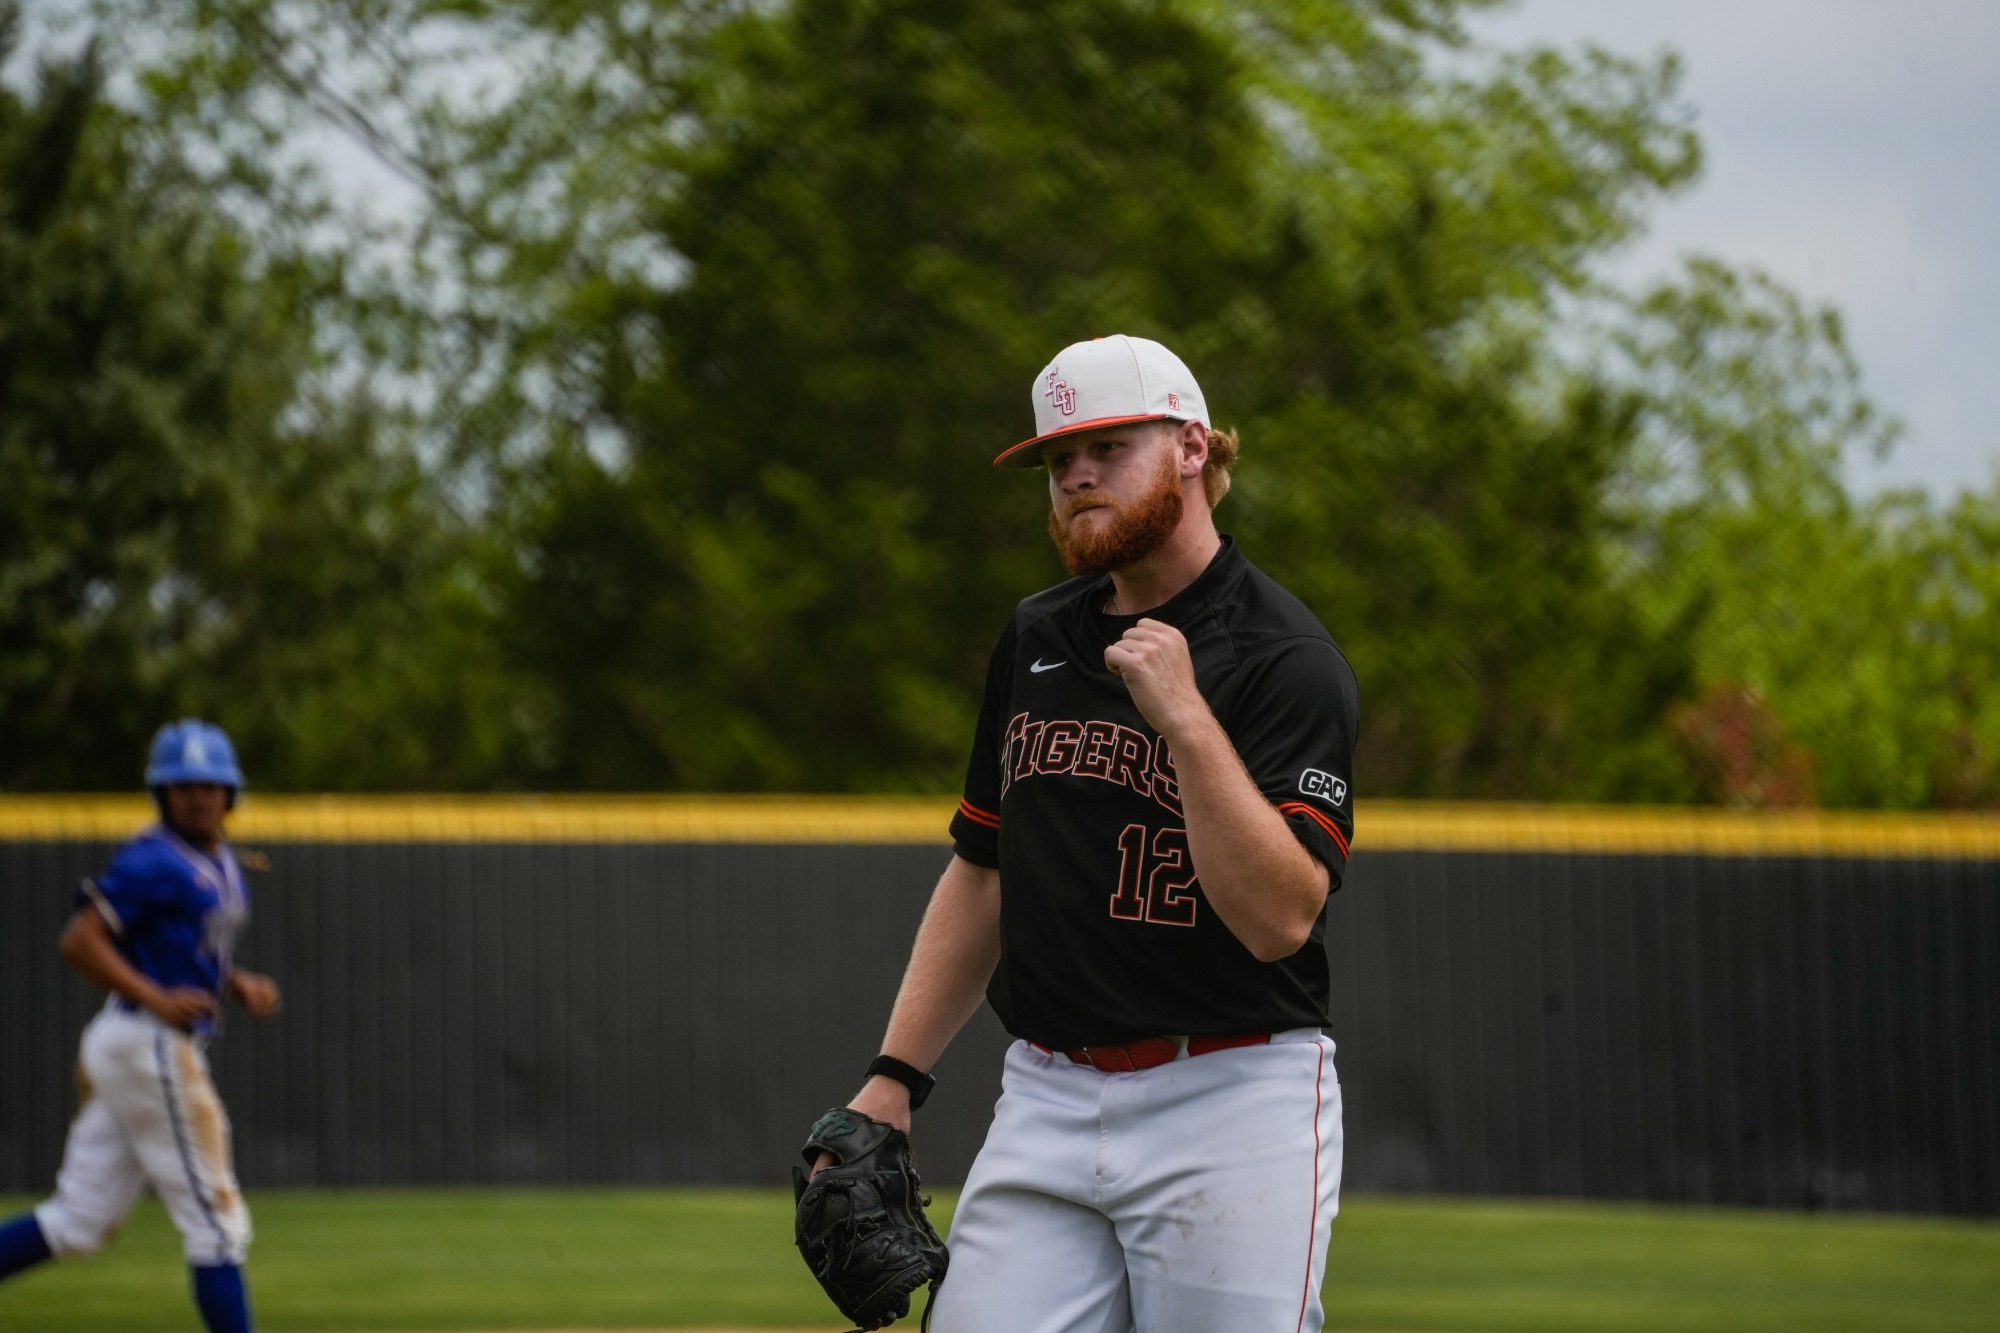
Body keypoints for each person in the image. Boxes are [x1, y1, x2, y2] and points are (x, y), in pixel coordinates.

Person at [826, 335, 1360, 1331]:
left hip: (1233, 1098)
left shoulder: (1285, 658)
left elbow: (1279, 917)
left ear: (1192, 447)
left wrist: (1188, 721)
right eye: (1054, 460)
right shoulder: (1038, 635)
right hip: (1047, 1093)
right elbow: (982, 869)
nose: (1074, 476)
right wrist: (890, 1080)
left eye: (1107, 446)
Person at [0, 719, 280, 1333]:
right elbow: (80, 941)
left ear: (230, 793)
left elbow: (187, 945)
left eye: (211, 784)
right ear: (162, 793)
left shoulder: (217, 860)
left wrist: (233, 981)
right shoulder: (155, 858)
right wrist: (155, 994)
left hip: (133, 1043)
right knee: (216, 1222)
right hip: (146, 1043)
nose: (199, 796)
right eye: (183, 786)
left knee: (79, 1222)